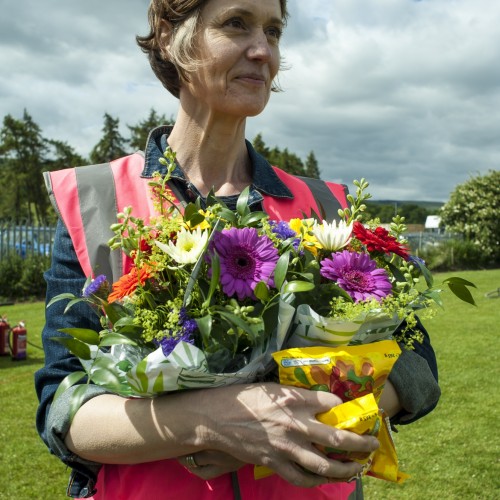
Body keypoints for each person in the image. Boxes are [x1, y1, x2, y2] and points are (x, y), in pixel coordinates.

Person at [35, 0, 441, 498]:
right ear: (169, 36)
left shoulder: (323, 205)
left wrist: (314, 416)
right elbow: (64, 408)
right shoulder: (97, 201)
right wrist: (209, 423)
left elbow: (416, 360)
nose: (262, 50)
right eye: (236, 24)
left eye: (273, 31)